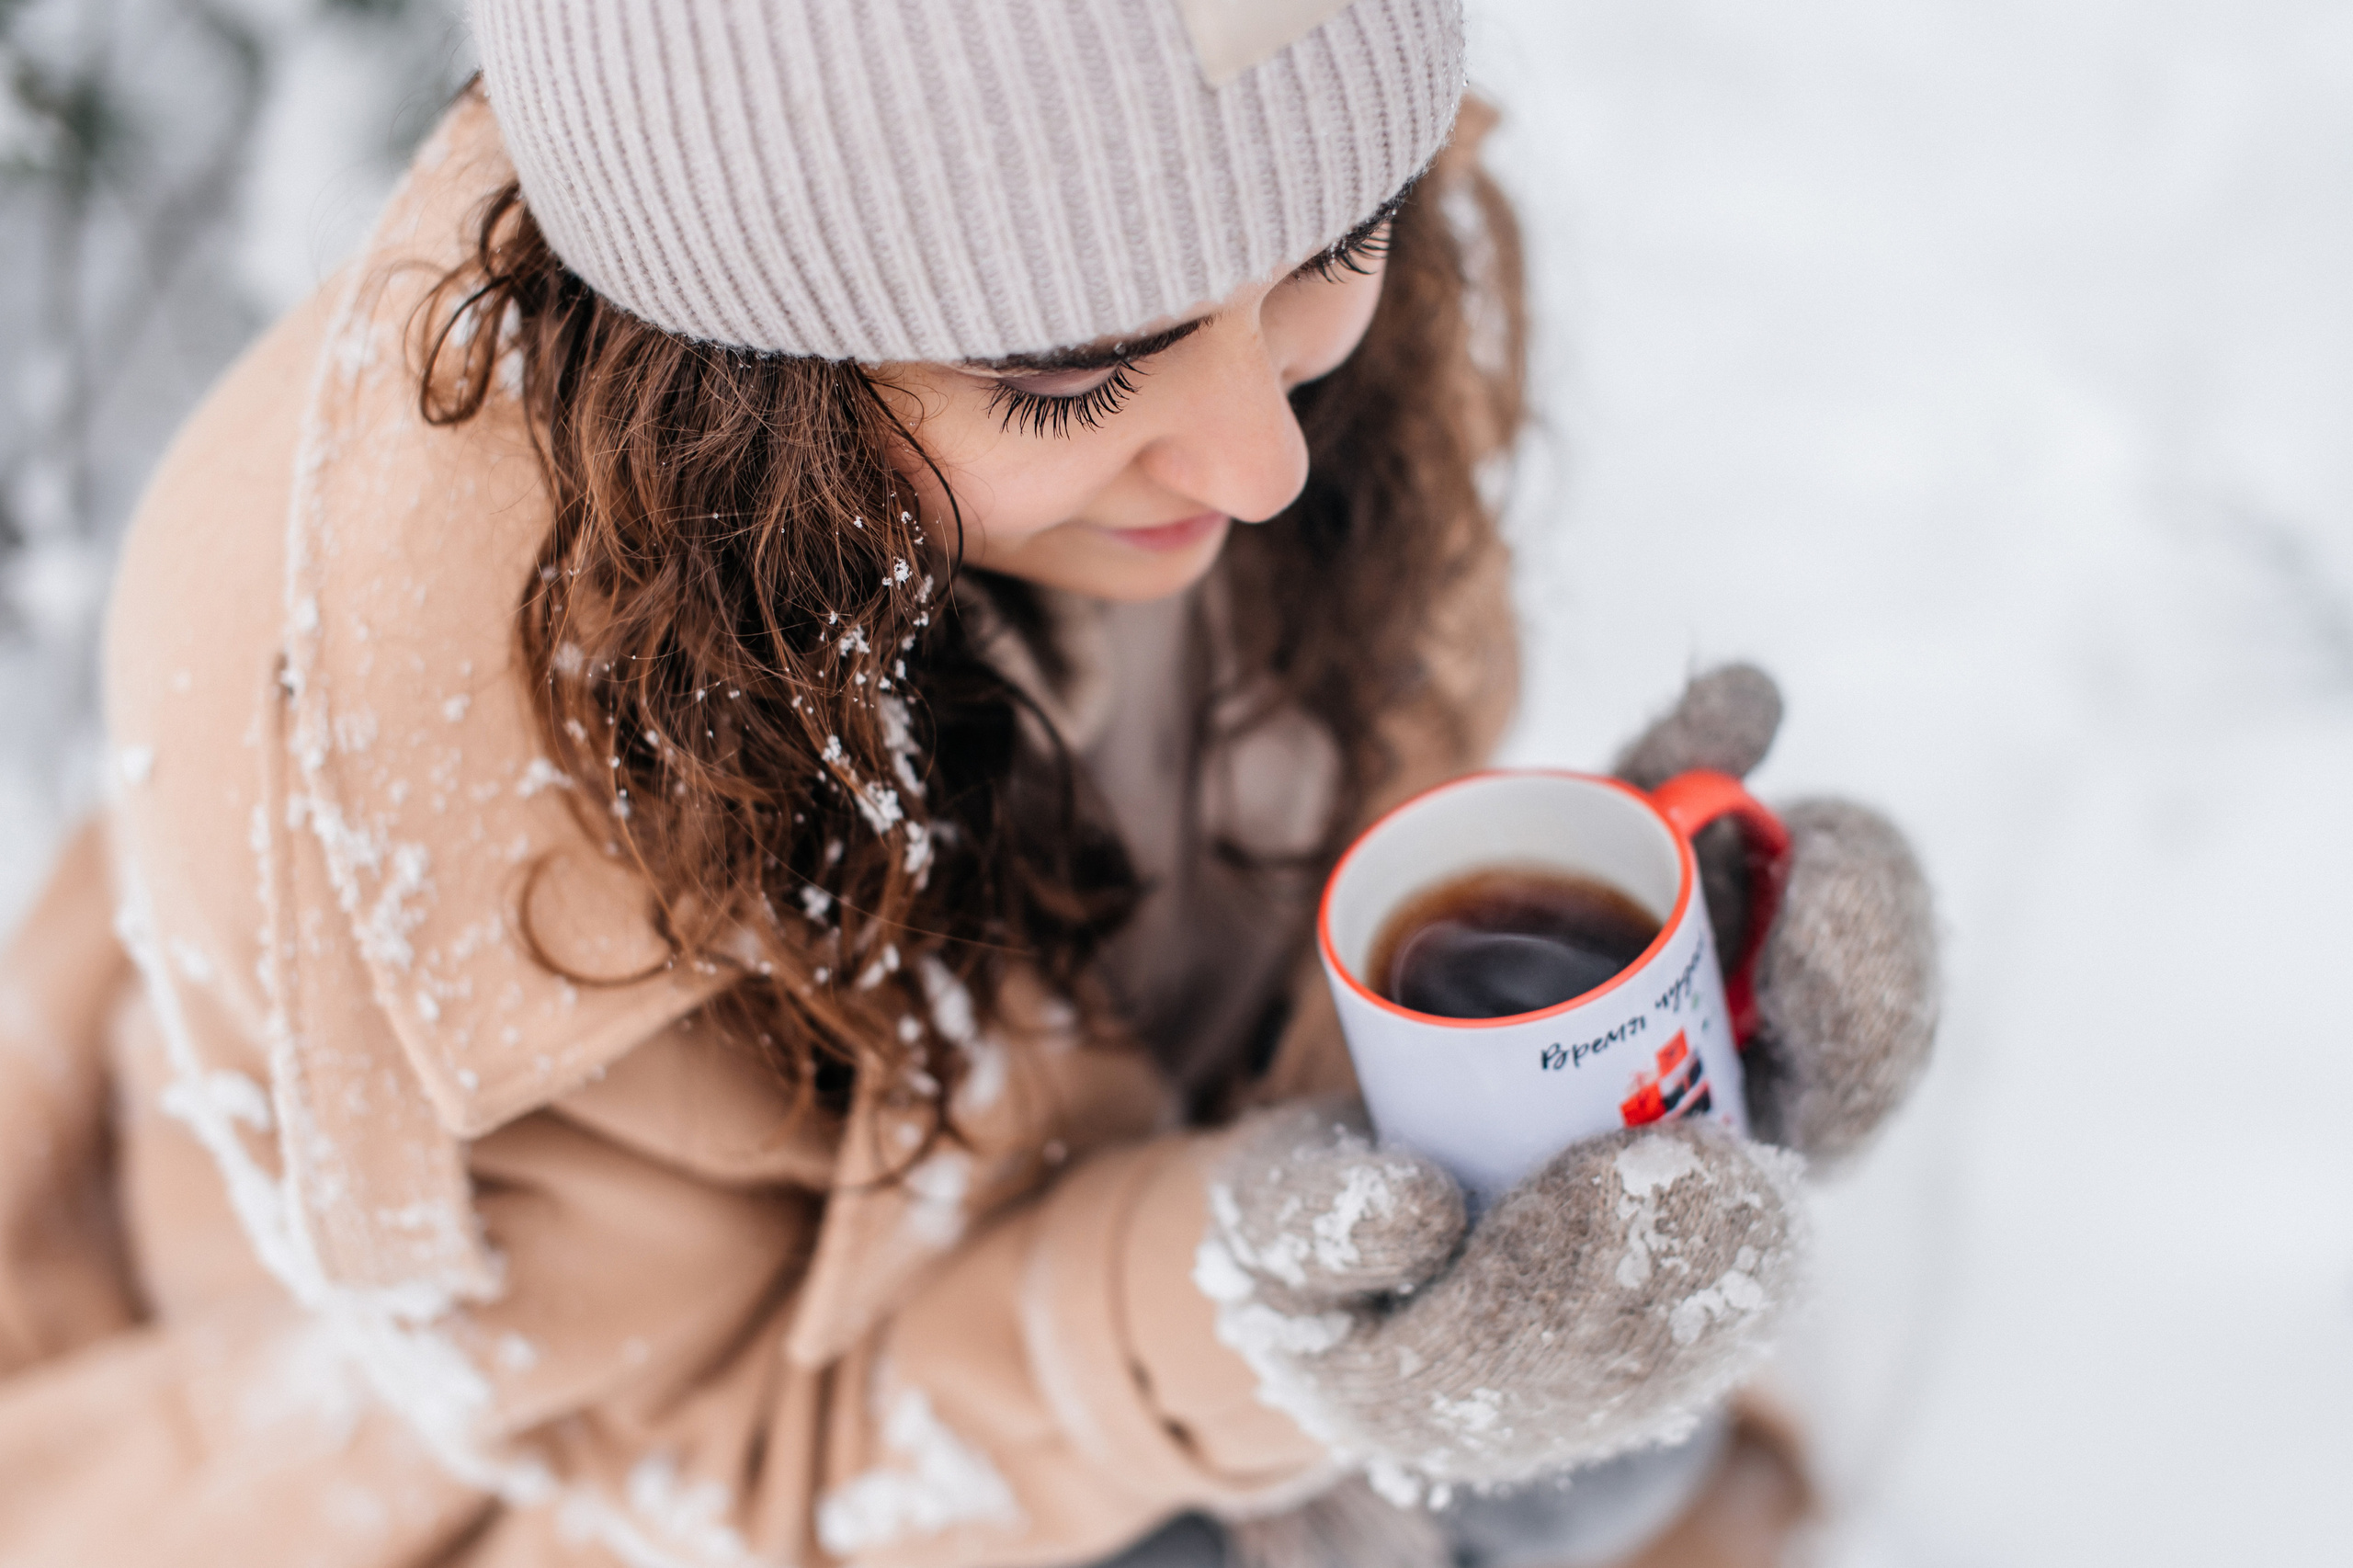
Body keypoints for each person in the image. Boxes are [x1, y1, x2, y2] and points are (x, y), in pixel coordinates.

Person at [0, 2, 1936, 1564]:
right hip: (639, 1472)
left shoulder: (1234, 313)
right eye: (1072, 369)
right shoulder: (446, 810)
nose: (1262, 458)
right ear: (733, 371)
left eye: (1332, 240)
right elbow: (721, 1486)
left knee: (1569, 1446)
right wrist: (1269, 1326)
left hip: (1069, 1219)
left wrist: (1597, 1043)